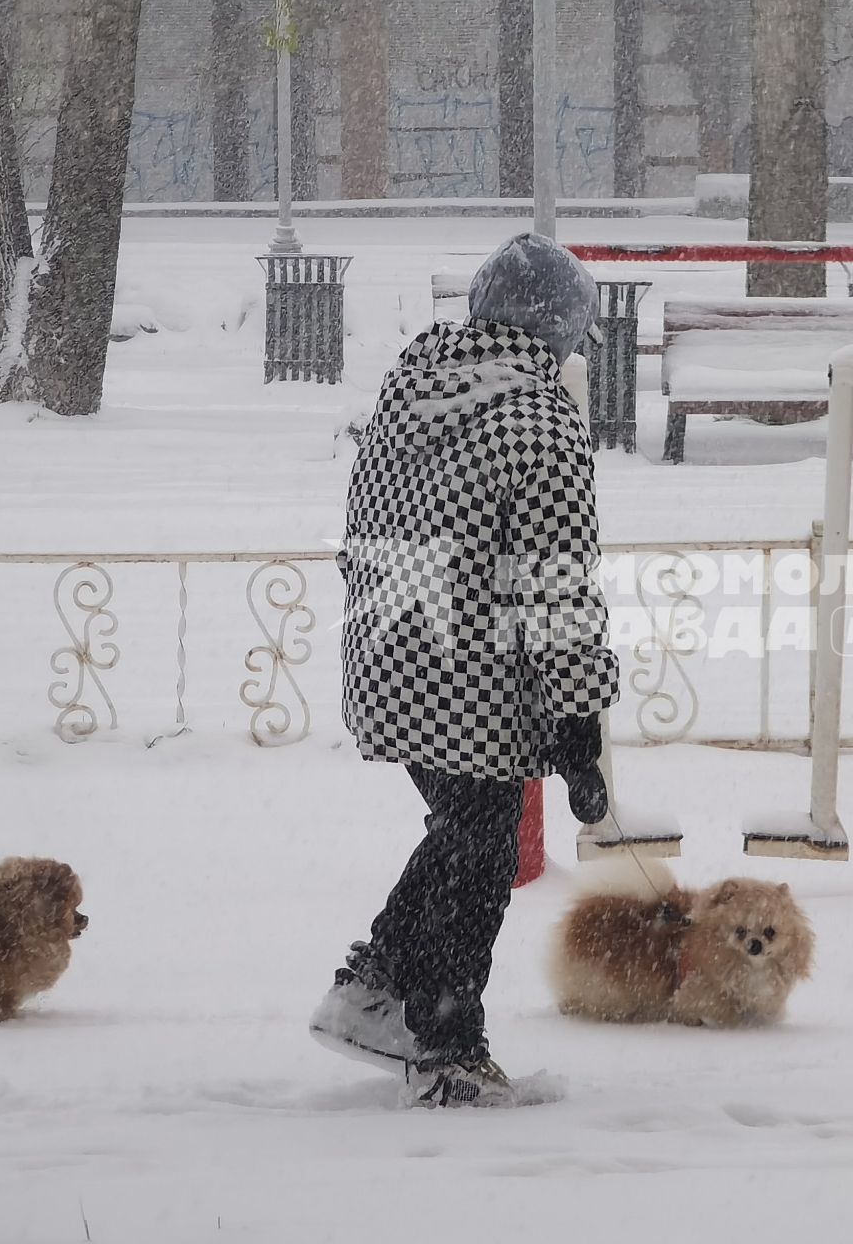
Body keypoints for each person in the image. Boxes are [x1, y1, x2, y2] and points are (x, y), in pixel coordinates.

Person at [310, 233, 619, 1108]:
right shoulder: (541, 419)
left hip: (387, 653)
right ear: (559, 331)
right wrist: (580, 726)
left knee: (469, 833)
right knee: (478, 847)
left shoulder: (410, 388)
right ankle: (442, 1039)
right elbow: (556, 586)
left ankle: (376, 990)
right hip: (473, 676)